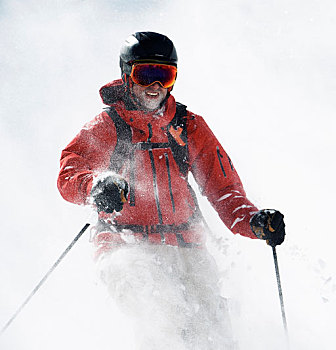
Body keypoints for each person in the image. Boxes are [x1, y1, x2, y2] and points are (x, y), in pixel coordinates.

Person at [57, 31, 285, 349]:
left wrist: (254, 221)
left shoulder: (187, 125)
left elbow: (223, 189)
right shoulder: (108, 127)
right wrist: (96, 187)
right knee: (161, 312)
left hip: (186, 245)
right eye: (146, 73)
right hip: (126, 244)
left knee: (213, 334)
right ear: (126, 76)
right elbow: (70, 172)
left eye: (164, 75)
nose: (155, 86)